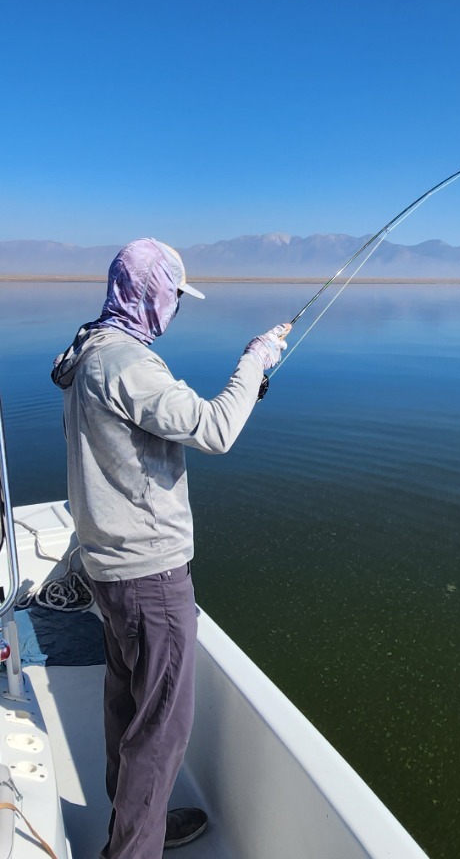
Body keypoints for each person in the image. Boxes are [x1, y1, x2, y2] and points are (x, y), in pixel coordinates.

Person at [51, 238, 290, 859]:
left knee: (127, 703)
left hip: (110, 569)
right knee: (160, 729)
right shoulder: (126, 364)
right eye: (172, 295)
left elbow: (167, 424)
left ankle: (137, 822)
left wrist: (247, 388)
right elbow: (213, 429)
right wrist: (254, 360)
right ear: (148, 294)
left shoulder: (91, 351)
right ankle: (133, 847)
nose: (175, 308)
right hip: (148, 576)